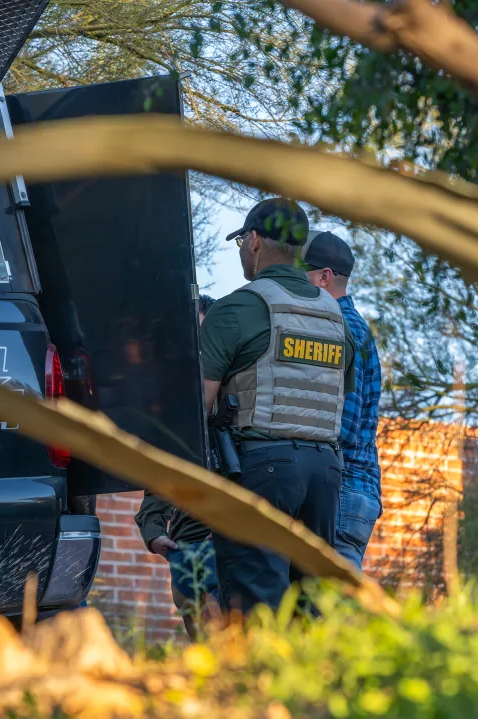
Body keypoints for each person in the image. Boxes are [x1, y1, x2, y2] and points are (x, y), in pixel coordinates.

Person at [200, 198, 356, 613]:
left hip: (260, 469)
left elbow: (198, 402)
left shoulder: (239, 306)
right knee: (309, 608)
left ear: (253, 242)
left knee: (256, 606)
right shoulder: (336, 317)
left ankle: (256, 678)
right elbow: (338, 397)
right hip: (325, 475)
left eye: (239, 242)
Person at [134, 294, 221, 641]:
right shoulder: (172, 399)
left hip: (225, 543)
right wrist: (153, 529)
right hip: (185, 546)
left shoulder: (239, 391)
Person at [302, 231, 382, 571]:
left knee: (330, 611)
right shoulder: (353, 327)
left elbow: (341, 426)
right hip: (353, 489)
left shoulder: (340, 328)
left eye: (298, 273)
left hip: (343, 490)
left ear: (323, 277)